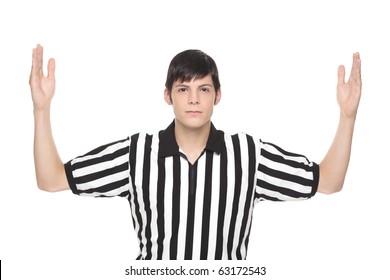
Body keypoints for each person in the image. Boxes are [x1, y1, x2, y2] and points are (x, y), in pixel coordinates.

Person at [29, 44, 362, 260]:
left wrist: (348, 116)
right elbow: (52, 179)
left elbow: (328, 181)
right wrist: (41, 109)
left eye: (203, 89)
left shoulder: (248, 155)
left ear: (217, 96)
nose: (193, 99)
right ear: (167, 96)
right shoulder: (136, 153)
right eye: (183, 89)